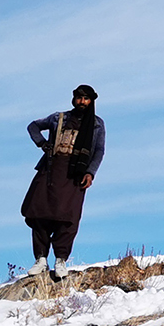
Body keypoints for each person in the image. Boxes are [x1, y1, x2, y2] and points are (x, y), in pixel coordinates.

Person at [20, 85, 105, 280]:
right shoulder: (59, 118)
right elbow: (33, 126)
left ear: (92, 101)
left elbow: (99, 150)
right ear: (73, 99)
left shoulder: (97, 125)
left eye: (86, 99)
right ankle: (41, 259)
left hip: (76, 174)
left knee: (68, 217)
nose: (82, 102)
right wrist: (42, 143)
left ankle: (61, 260)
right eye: (79, 98)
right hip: (50, 170)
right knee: (39, 213)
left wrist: (90, 173)